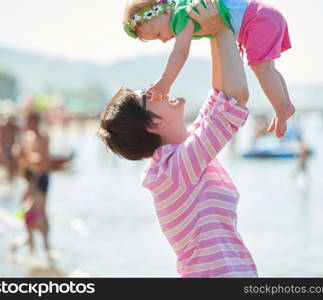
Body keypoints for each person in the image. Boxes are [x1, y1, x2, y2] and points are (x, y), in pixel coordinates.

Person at [99, 2, 257, 277]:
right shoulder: (172, 169)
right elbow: (235, 100)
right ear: (153, 124)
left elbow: (220, 97)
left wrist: (211, 24)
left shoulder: (178, 155)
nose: (155, 89)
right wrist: (222, 28)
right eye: (148, 96)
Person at [123, 0, 294, 138]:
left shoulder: (180, 16)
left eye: (159, 34)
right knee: (268, 69)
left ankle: (281, 107)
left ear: (166, 11)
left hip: (256, 20)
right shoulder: (184, 7)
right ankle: (283, 105)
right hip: (263, 13)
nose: (164, 40)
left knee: (263, 70)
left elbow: (181, 52)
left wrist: (165, 81)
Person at [13, 111, 51, 258]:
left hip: (41, 179)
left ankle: (44, 245)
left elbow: (42, 160)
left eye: (29, 121)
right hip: (31, 180)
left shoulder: (43, 137)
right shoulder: (29, 138)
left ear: (35, 122)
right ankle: (33, 245)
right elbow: (24, 161)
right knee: (27, 212)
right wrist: (20, 156)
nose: (26, 125)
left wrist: (25, 156)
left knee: (38, 213)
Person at [0, 115, 19, 181]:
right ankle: (9, 174)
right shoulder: (4, 127)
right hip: (7, 147)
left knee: (12, 162)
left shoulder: (14, 127)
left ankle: (11, 175)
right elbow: (1, 138)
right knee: (7, 162)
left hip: (12, 147)